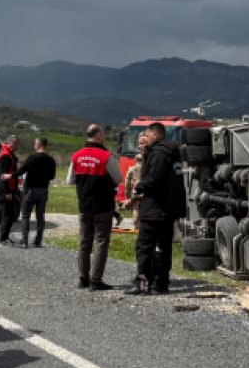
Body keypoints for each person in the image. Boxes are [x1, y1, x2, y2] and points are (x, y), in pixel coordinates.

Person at [128, 122, 186, 295]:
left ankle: (143, 283)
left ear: (155, 135)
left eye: (147, 134)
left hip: (154, 210)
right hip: (168, 210)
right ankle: (161, 283)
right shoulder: (173, 154)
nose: (146, 138)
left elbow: (154, 180)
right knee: (164, 248)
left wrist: (140, 184)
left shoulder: (159, 154)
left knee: (144, 247)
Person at [68, 125, 122, 291]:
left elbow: (70, 180)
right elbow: (118, 178)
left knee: (84, 242)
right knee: (100, 242)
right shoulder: (106, 156)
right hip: (102, 206)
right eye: (103, 135)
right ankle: (95, 280)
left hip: (84, 205)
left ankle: (82, 278)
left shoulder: (76, 156)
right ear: (99, 137)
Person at [10, 137, 57, 247]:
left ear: (37, 145)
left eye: (35, 145)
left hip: (31, 190)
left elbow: (22, 170)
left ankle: (25, 240)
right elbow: (52, 176)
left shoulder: (32, 158)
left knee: (26, 215)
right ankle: (38, 241)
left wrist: (11, 175)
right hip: (44, 190)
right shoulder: (51, 160)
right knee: (40, 216)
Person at [0, 135, 21, 246]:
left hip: (8, 187)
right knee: (6, 214)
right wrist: (8, 192)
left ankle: (6, 237)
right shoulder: (5, 155)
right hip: (4, 188)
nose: (17, 146)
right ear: (9, 142)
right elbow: (3, 175)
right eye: (15, 143)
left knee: (9, 214)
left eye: (18, 143)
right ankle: (2, 239)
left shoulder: (7, 153)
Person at [122, 153, 144, 230]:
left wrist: (127, 193)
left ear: (136, 160)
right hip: (145, 192)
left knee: (136, 209)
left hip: (135, 192)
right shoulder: (147, 169)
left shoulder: (131, 169)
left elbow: (127, 182)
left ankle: (137, 225)